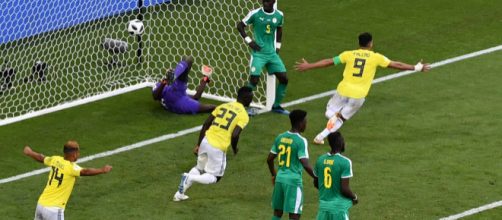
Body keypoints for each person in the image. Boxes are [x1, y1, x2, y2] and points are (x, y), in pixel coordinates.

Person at [295, 32, 431, 144]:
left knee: (329, 112)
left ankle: (323, 132)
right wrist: (416, 67)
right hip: (359, 95)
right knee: (341, 118)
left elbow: (329, 61)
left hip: (343, 90)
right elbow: (396, 65)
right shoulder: (376, 57)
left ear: (358, 43)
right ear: (370, 43)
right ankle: (321, 135)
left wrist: (309, 66)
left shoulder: (348, 54)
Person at [173, 86, 253, 201]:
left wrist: (199, 144)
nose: (252, 99)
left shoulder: (223, 106)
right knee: (216, 177)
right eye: (251, 97)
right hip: (218, 147)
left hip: (206, 140)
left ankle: (179, 194)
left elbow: (206, 124)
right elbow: (235, 135)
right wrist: (235, 148)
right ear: (245, 98)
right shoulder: (244, 115)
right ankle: (189, 177)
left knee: (199, 168)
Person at [23, 140, 112, 220]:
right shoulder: (71, 167)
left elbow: (41, 158)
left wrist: (30, 152)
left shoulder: (55, 159)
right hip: (54, 210)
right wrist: (102, 170)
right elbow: (86, 171)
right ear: (74, 154)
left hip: (40, 205)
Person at [237, 0, 289, 115]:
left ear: (273, 1)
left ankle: (276, 106)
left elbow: (279, 29)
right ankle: (242, 107)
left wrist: (278, 47)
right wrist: (249, 41)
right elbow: (240, 25)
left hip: (272, 54)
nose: (264, 2)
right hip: (258, 54)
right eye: (263, 0)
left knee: (284, 79)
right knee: (254, 81)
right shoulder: (255, 13)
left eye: (267, 0)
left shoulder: (279, 15)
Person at [266, 109, 317, 219]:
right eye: (305, 122)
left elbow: (269, 159)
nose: (306, 124)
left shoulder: (280, 137)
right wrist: (316, 176)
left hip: (280, 179)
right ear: (300, 123)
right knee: (294, 214)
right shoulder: (300, 140)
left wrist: (274, 175)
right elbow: (305, 164)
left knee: (277, 212)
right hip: (293, 181)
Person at [313, 132, 358, 220]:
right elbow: (344, 189)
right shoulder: (345, 162)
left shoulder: (320, 160)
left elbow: (316, 183)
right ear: (341, 143)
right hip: (338, 210)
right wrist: (354, 197)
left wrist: (328, 191)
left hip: (323, 208)